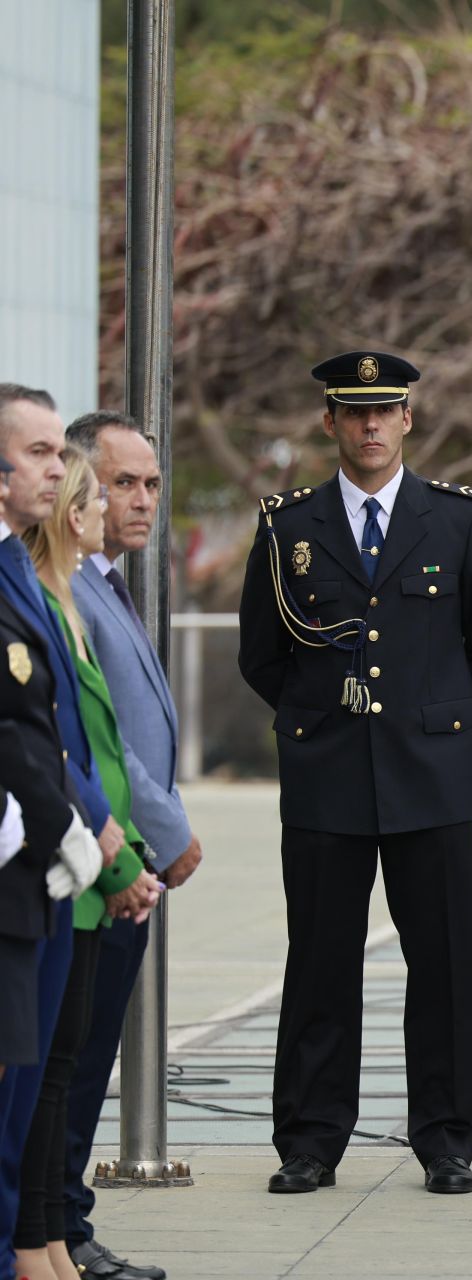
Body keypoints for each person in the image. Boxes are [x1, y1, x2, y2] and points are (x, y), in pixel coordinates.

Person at [237, 351, 472, 1195]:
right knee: (321, 962)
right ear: (329, 422)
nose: (368, 426)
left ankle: (445, 1138)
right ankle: (312, 1140)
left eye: (383, 411)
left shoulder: (459, 520)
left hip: (429, 774)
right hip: (327, 774)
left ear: (407, 419)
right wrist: (317, 717)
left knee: (444, 963)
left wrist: (436, 718)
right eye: (352, 412)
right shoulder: (289, 525)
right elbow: (262, 653)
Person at [15, 453, 160, 1280]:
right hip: (66, 866)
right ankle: (39, 1241)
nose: (119, 505)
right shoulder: (47, 604)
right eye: (106, 492)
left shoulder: (76, 601)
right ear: (75, 514)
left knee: (65, 1067)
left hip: (96, 865)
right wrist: (115, 857)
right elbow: (66, 751)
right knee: (47, 1078)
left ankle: (51, 1238)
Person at [60, 411, 192, 1280]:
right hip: (104, 857)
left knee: (88, 1050)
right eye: (121, 483)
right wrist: (167, 830)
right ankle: (58, 1227)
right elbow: (99, 741)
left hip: (123, 860)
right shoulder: (70, 585)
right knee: (71, 1062)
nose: (139, 500)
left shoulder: (111, 582)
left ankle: (59, 1222)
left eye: (150, 482)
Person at [0, 387, 120, 1276]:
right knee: (22, 1086)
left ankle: (32, 1246)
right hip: (31, 854)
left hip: (50, 859)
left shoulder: (30, 581)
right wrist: (82, 829)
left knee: (37, 1074)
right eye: (39, 452)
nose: (56, 467)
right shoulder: (21, 582)